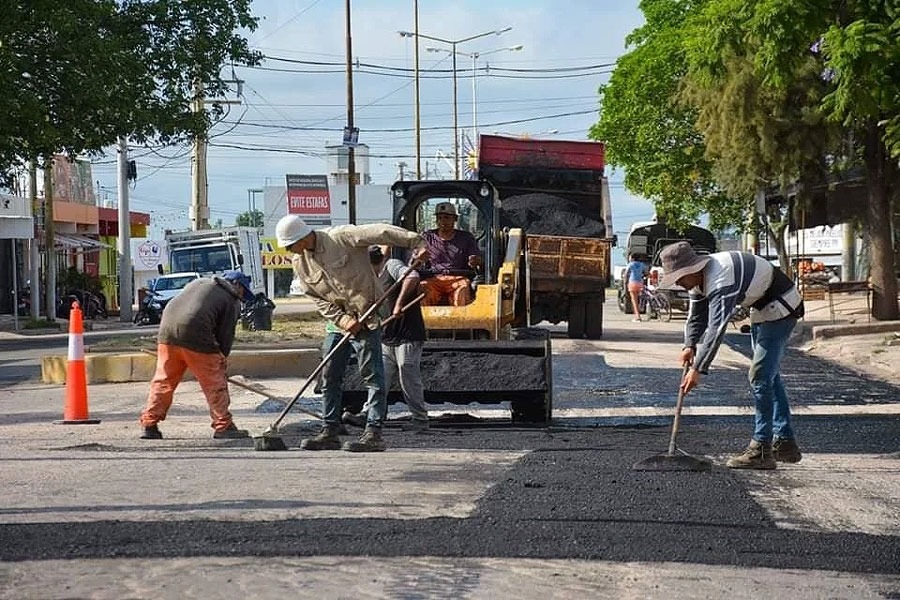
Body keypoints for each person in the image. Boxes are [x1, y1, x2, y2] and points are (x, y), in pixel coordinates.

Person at [276, 214, 426, 452]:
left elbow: (380, 231)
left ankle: (373, 432)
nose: (290, 250)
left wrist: (416, 242)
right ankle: (329, 431)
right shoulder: (300, 263)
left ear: (303, 237)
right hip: (339, 324)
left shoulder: (341, 238)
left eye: (291, 244)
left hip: (367, 317)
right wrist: (343, 320)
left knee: (373, 376)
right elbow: (318, 299)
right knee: (329, 376)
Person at [658, 241, 805, 470]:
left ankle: (762, 449)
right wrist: (689, 345)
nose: (678, 282)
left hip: (781, 307)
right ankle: (785, 442)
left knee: (760, 376)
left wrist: (698, 369)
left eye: (679, 277)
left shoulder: (720, 279)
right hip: (762, 308)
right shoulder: (698, 282)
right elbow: (697, 317)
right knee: (768, 376)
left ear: (693, 269)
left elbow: (717, 328)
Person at [139, 270, 255, 440]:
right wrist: (220, 363)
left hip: (167, 333)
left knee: (164, 381)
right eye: (244, 290)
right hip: (196, 334)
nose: (242, 295)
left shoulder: (198, 283)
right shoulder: (230, 299)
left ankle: (149, 424)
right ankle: (224, 425)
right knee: (215, 384)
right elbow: (225, 336)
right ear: (236, 285)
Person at [343, 245, 429, 432]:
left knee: (407, 370)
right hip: (387, 335)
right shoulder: (370, 279)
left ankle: (420, 419)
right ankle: (371, 414)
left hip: (408, 332)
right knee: (380, 377)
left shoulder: (391, 265)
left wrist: (398, 305)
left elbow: (413, 277)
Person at [419, 202, 482, 306]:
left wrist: (475, 260)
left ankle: (459, 320)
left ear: (455, 219)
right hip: (434, 278)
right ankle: (423, 321)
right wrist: (419, 257)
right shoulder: (427, 237)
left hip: (458, 278)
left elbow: (477, 259)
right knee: (423, 289)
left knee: (461, 291)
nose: (443, 221)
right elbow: (417, 257)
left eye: (447, 217)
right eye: (440, 218)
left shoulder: (466, 238)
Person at [625, 253, 649, 322]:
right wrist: (643, 277)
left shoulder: (630, 264)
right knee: (640, 299)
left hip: (632, 283)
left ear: (632, 258)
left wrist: (626, 282)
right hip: (640, 283)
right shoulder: (642, 265)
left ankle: (637, 317)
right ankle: (641, 308)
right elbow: (647, 273)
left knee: (634, 300)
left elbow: (626, 274)